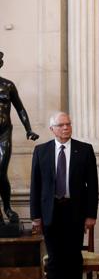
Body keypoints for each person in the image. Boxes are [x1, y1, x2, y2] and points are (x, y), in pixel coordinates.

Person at [30, 112, 98, 279]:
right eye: (61, 125)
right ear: (52, 129)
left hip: (74, 212)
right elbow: (36, 186)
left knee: (73, 258)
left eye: (68, 124)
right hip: (50, 212)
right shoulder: (41, 151)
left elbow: (92, 186)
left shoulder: (84, 150)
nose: (66, 128)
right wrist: (36, 216)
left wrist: (90, 214)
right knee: (54, 259)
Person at [0, 51, 39, 225]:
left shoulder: (8, 85)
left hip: (4, 133)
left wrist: (28, 129)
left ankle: (7, 207)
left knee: (1, 171)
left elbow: (20, 109)